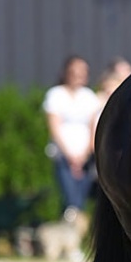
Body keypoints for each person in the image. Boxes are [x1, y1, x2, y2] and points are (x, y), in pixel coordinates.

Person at [43, 55, 100, 217]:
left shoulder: (89, 96)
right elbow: (54, 127)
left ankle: (75, 236)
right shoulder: (56, 94)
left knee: (80, 200)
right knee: (70, 199)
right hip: (63, 155)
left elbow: (92, 127)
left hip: (85, 157)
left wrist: (85, 153)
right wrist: (70, 155)